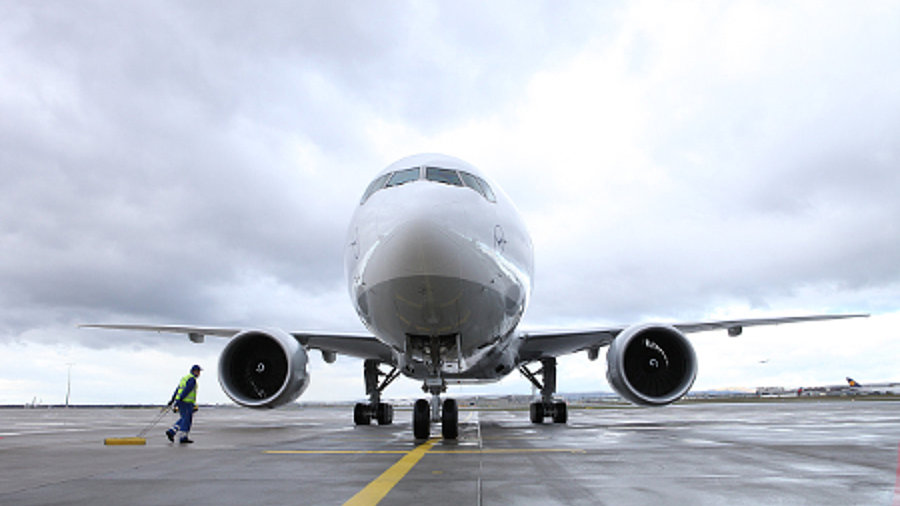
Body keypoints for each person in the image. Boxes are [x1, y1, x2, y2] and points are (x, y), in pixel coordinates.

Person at [165, 364, 201, 444]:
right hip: (186, 402)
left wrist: (173, 400)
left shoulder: (184, 378)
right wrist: (180, 399)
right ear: (195, 371)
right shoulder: (192, 379)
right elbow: (187, 390)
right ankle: (183, 437)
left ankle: (172, 431)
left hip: (181, 401)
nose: (199, 374)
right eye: (198, 372)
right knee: (187, 419)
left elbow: (177, 390)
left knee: (183, 418)